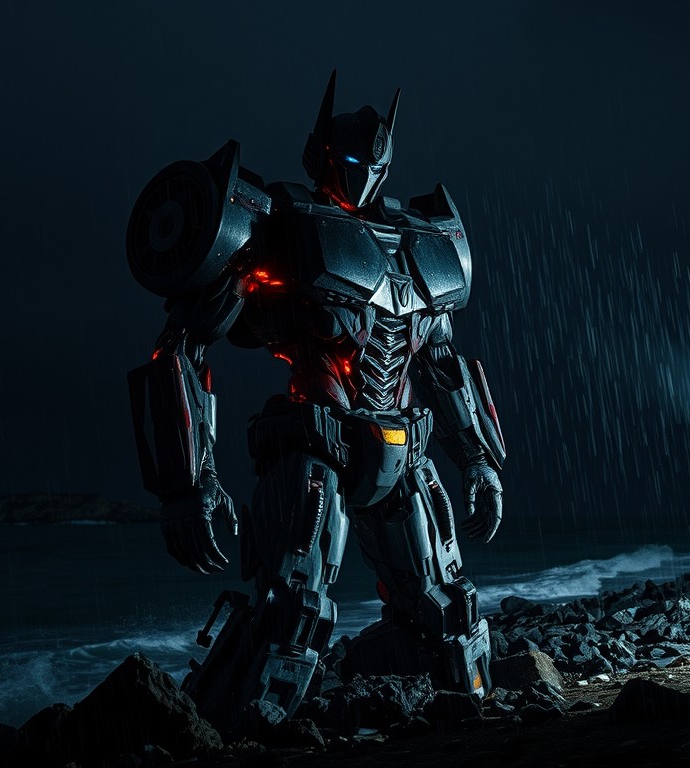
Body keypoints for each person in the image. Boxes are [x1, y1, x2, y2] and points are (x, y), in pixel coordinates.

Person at [124, 71, 506, 732]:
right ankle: (241, 732)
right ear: (322, 154)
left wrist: (479, 458)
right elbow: (185, 342)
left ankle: (465, 717)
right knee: (293, 607)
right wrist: (188, 485)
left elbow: (441, 361)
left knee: (449, 610)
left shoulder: (425, 243)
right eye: (350, 161)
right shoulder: (285, 224)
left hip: (402, 446)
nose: (362, 174)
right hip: (317, 444)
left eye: (372, 164)